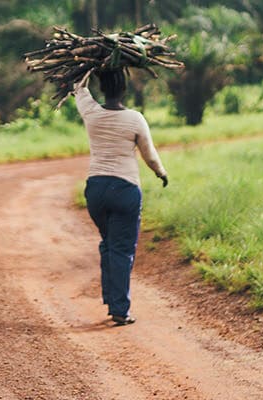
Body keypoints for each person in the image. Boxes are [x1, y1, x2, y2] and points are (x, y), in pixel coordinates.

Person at [72, 68, 169, 327]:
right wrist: (161, 172)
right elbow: (149, 155)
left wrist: (89, 68)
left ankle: (111, 299)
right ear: (124, 89)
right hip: (125, 190)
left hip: (96, 190)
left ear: (102, 88)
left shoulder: (91, 113)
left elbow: (78, 89)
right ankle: (119, 308)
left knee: (109, 243)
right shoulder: (135, 119)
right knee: (121, 249)